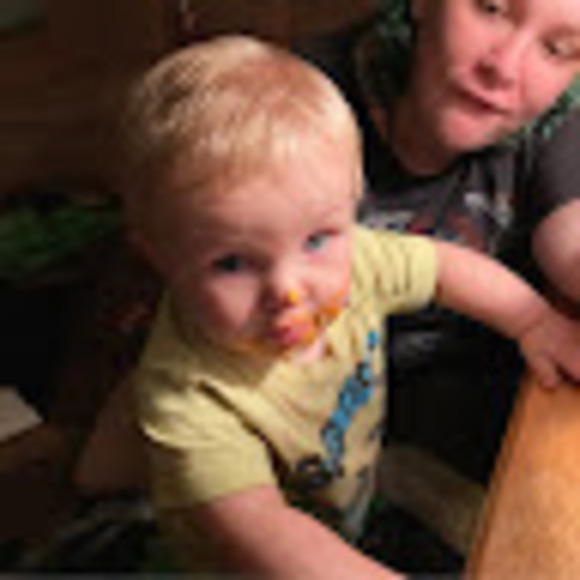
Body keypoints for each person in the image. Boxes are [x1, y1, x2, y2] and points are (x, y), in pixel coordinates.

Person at [112, 34, 580, 577]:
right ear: (158, 256)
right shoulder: (188, 399)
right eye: (232, 263)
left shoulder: (355, 260)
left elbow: (445, 268)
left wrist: (532, 321)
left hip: (344, 497)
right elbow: (265, 534)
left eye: (316, 239)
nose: (289, 290)